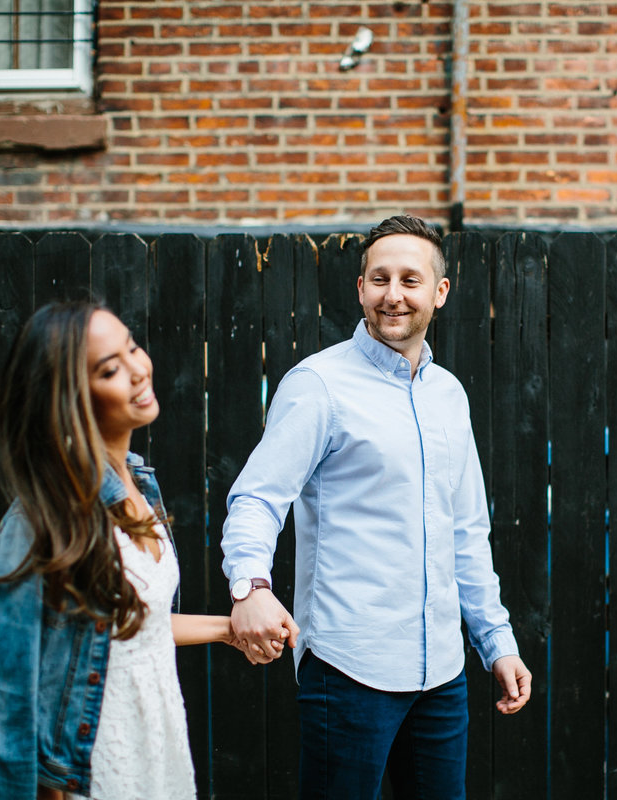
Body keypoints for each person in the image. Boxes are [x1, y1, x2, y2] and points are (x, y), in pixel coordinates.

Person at [221, 214, 532, 798]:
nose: (394, 295)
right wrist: (250, 587)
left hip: (441, 675)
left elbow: (466, 531)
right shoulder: (318, 386)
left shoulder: (450, 396)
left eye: (411, 281)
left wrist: (498, 642)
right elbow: (259, 497)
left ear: (439, 293)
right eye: (380, 279)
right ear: (360, 288)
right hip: (348, 667)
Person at [0, 300, 241, 800]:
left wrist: (229, 630)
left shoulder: (137, 482)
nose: (138, 369)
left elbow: (133, 628)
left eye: (132, 347)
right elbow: (2, 713)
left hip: (156, 745)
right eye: (110, 369)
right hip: (88, 769)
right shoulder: (42, 521)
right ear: (70, 399)